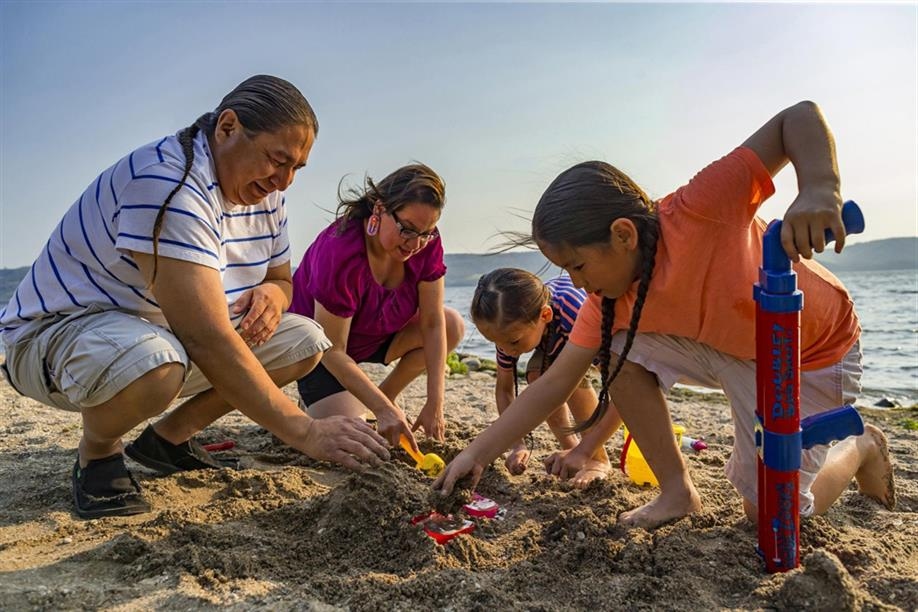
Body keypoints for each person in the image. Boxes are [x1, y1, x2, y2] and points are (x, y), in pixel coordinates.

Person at [434, 101, 896, 529]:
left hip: (809, 351)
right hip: (729, 350)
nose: (576, 282)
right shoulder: (607, 301)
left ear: (623, 235)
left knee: (770, 514)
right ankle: (677, 493)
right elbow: (553, 384)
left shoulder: (699, 208)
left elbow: (798, 117)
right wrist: (477, 454)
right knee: (618, 348)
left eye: (578, 266)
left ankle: (861, 445)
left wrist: (819, 187)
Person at [0, 75, 389, 520]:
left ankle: (168, 438)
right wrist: (306, 432)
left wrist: (272, 294)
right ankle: (99, 451)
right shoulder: (167, 184)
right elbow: (205, 338)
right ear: (227, 128)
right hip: (52, 339)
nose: (284, 182)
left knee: (304, 339)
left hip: (158, 336)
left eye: (296, 168)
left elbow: (283, 280)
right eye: (277, 160)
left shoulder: (264, 194)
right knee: (158, 364)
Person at [289, 164, 464, 451]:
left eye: (427, 233)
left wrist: (435, 403)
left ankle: (383, 398)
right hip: (319, 352)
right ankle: (337, 403)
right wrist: (385, 410)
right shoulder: (339, 250)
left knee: (452, 324)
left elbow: (433, 323)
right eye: (407, 229)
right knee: (355, 439)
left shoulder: (425, 242)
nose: (415, 244)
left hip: (374, 337)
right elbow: (332, 350)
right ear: (380, 209)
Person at [470, 268, 621, 486]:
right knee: (538, 373)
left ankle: (597, 459)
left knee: (569, 378)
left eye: (513, 342)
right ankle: (570, 447)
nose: (506, 350)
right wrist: (517, 444)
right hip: (552, 337)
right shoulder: (506, 331)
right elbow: (504, 390)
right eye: (495, 342)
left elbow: (625, 390)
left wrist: (586, 450)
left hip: (594, 333)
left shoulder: (574, 313)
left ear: (545, 315)